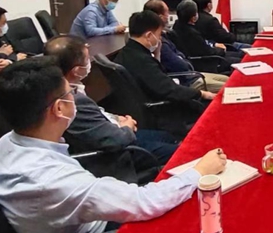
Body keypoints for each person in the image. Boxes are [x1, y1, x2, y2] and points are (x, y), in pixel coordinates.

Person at [0, 58, 227, 233]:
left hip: (63, 221)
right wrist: (199, 171)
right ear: (59, 108)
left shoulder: (6, 143)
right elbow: (145, 202)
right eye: (71, 92)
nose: (75, 96)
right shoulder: (55, 181)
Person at [44, 35, 181, 165]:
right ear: (76, 71)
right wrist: (127, 127)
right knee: (178, 152)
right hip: (116, 153)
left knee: (167, 137)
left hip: (111, 129)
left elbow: (94, 116)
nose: (90, 61)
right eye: (87, 59)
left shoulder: (57, 88)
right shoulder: (72, 101)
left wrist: (115, 118)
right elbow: (116, 140)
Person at [113, 11, 214, 133]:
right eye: (159, 34)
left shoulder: (129, 52)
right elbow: (169, 89)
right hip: (161, 111)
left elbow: (156, 80)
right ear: (149, 35)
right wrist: (201, 93)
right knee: (205, 105)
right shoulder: (142, 60)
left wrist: (157, 55)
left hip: (147, 105)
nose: (160, 38)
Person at [142, 0, 229, 93]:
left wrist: (182, 59)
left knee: (228, 80)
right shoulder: (158, 42)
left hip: (192, 74)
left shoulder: (167, 34)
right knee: (231, 86)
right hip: (187, 81)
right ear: (160, 17)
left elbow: (180, 54)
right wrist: (183, 60)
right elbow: (180, 65)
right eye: (167, 12)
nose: (168, 15)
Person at [172, 0, 240, 72]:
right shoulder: (192, 34)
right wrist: (221, 50)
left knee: (237, 55)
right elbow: (208, 52)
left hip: (199, 58)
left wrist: (214, 45)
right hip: (207, 63)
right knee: (240, 61)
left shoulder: (176, 26)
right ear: (193, 18)